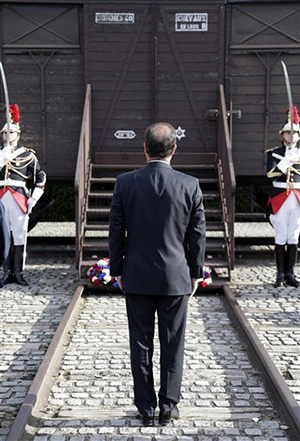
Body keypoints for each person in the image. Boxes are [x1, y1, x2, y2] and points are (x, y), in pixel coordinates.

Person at [109, 122, 206, 426]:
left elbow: (116, 232)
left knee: (140, 342)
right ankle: (168, 405)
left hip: (136, 275)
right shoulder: (190, 185)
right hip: (176, 276)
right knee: (173, 342)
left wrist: (117, 269)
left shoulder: (125, 183)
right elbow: (197, 235)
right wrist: (195, 272)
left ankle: (145, 407)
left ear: (144, 149)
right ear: (174, 150)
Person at [0, 104, 46, 286]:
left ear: (18, 134)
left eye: (12, 133)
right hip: (1, 198)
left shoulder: (27, 155)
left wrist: (33, 199)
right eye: (5, 133)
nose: (9, 136)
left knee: (19, 236)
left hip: (19, 198)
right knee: (2, 236)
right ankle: (6, 272)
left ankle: (18, 272)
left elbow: (40, 178)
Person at [266, 106, 300, 288]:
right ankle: (279, 274)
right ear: (282, 135)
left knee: (293, 236)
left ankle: (290, 274)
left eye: (294, 134)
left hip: (298, 197)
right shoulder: (274, 153)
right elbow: (270, 175)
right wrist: (286, 161)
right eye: (288, 133)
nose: (291, 136)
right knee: (281, 236)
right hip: (280, 195)